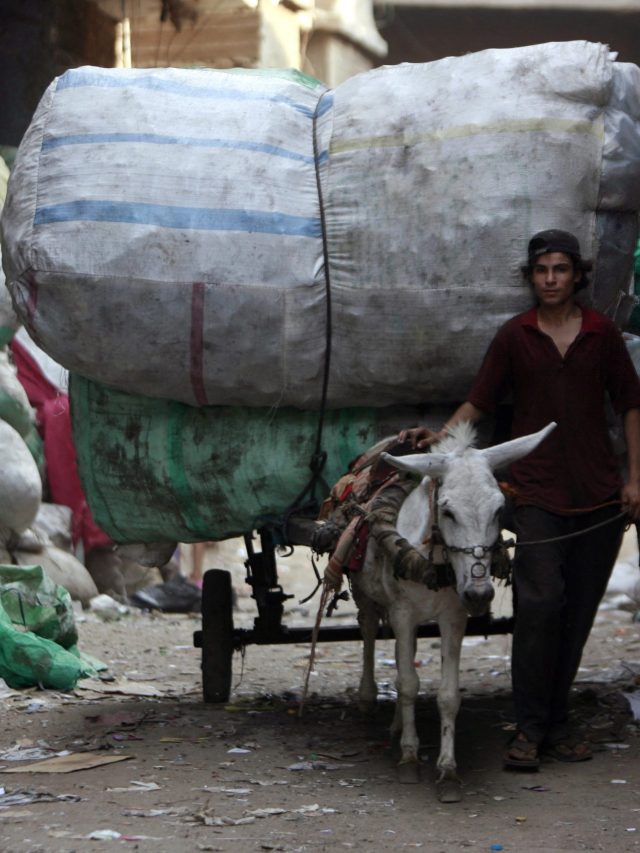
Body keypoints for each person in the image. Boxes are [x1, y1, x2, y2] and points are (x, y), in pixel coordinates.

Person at [400, 229, 640, 770]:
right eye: (541, 271)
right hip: (534, 494)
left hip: (600, 497)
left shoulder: (602, 335)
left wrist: (635, 480)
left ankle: (555, 724)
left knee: (576, 616)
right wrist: (439, 440)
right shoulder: (515, 336)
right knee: (538, 606)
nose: (551, 279)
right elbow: (479, 401)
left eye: (560, 270)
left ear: (577, 275)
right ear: (530, 278)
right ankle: (528, 730)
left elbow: (630, 405)